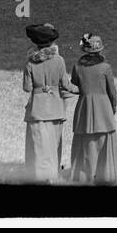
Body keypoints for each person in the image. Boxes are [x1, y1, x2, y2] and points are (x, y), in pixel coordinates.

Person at [21, 22, 74, 183]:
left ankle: (36, 175)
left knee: (37, 143)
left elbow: (27, 87)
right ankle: (52, 173)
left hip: (37, 108)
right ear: (52, 42)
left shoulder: (30, 62)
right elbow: (66, 85)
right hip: (56, 107)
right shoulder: (59, 60)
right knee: (53, 143)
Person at [69, 34, 117, 185]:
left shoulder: (77, 67)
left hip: (84, 108)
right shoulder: (106, 67)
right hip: (103, 108)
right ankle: (106, 175)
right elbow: (112, 92)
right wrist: (112, 109)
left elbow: (76, 83)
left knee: (85, 143)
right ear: (100, 50)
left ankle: (84, 175)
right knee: (104, 142)